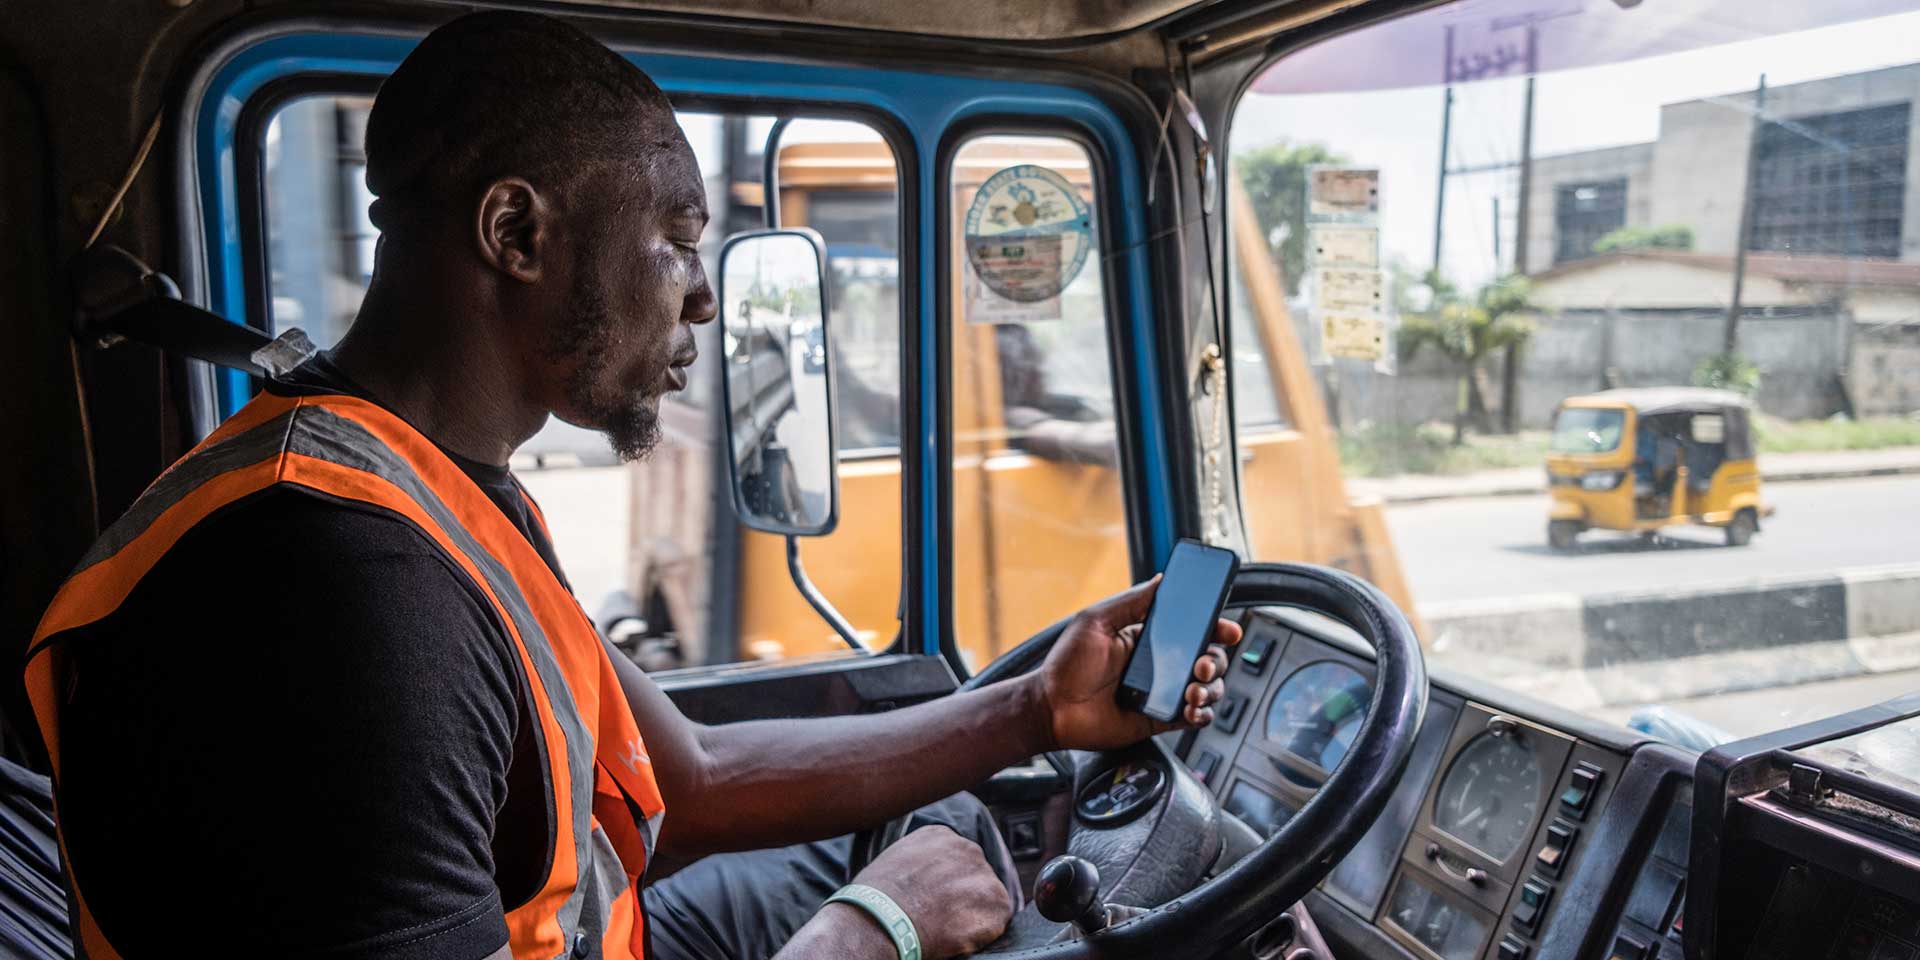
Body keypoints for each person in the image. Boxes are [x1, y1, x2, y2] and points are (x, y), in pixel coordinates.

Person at [22, 12, 1239, 960]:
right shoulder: (337, 591)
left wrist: (1032, 712)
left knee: (953, 833)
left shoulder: (439, 487)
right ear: (517, 233)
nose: (703, 294)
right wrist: (874, 930)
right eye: (678, 235)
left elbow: (689, 783)